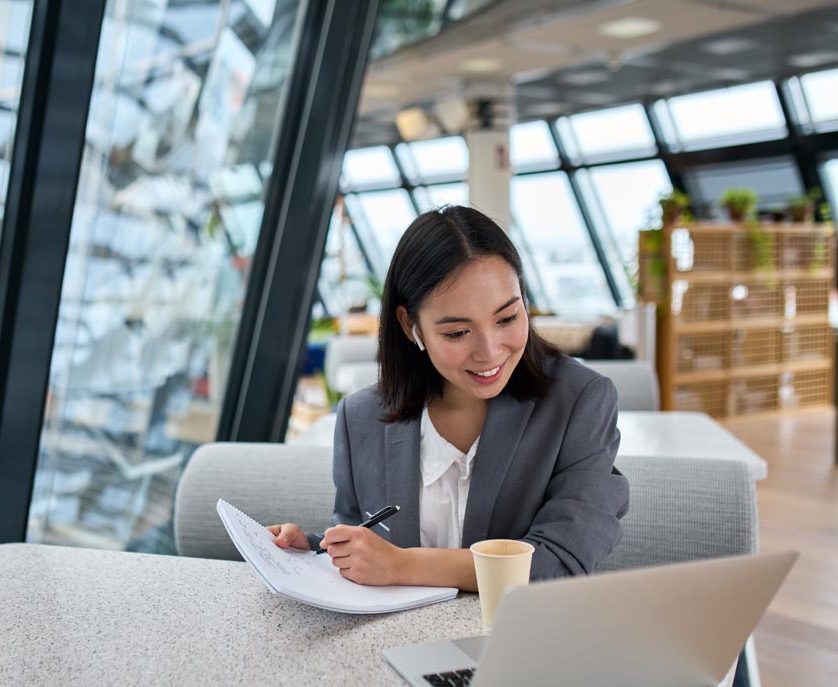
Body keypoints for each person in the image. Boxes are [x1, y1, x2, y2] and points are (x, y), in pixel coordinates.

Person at [267, 205, 628, 591]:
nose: (489, 352)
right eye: (457, 333)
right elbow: (364, 543)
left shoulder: (581, 401)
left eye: (507, 318)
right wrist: (315, 554)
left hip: (517, 641)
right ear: (410, 326)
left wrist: (403, 565)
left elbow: (559, 563)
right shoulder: (362, 417)